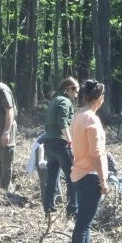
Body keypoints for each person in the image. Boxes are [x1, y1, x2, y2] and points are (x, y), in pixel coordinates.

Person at [69, 79, 109, 243]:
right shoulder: (92, 120)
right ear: (99, 98)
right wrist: (103, 180)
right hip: (89, 175)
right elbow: (96, 153)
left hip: (78, 172)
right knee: (84, 221)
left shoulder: (79, 116)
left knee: (85, 219)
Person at [43, 77, 79, 218]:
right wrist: (70, 142)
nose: (77, 93)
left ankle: (48, 208)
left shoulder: (54, 100)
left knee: (52, 177)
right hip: (60, 143)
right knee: (73, 177)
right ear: (68, 89)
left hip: (49, 143)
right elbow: (63, 122)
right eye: (75, 90)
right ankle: (72, 210)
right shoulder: (64, 101)